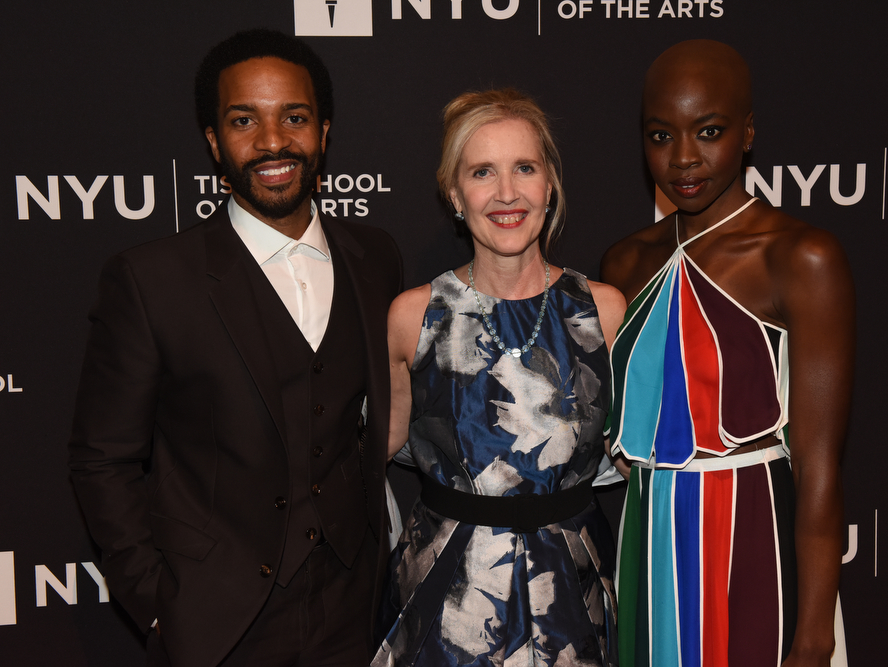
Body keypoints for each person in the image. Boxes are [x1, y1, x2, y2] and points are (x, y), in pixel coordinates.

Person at [68, 29, 401, 667]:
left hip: (355, 610)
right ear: (215, 141)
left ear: (324, 131)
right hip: (218, 622)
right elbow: (101, 460)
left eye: (294, 118)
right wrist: (158, 602)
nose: (273, 142)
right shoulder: (152, 279)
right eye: (245, 120)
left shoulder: (375, 256)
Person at [601, 41, 853, 667]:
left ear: (747, 132)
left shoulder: (800, 259)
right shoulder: (623, 263)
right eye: (661, 135)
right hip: (648, 545)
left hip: (752, 547)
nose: (683, 158)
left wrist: (814, 640)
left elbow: (819, 470)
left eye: (707, 131)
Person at [373, 89, 626, 666]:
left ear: (549, 185)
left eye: (525, 168)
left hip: (573, 591)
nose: (507, 193)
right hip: (447, 598)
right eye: (482, 172)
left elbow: (645, 463)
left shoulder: (604, 310)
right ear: (454, 193)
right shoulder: (412, 316)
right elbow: (369, 455)